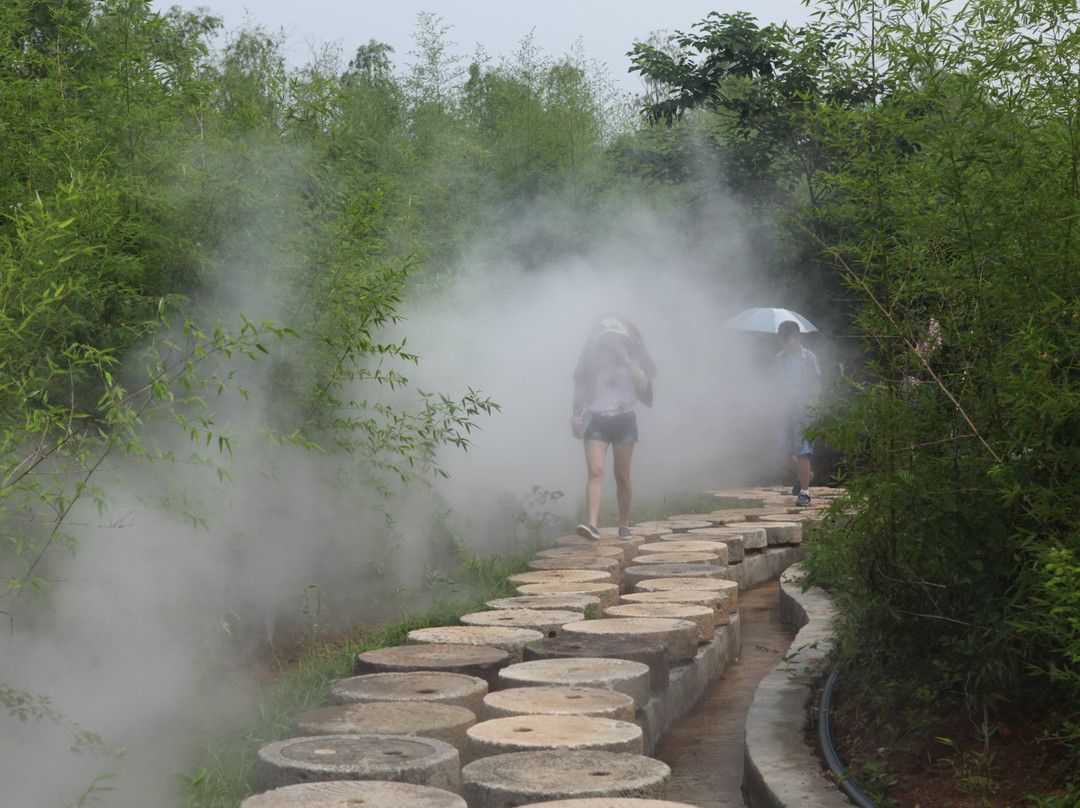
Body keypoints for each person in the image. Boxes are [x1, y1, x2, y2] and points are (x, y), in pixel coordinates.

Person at [570, 314, 656, 540]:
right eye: (608, 338)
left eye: (616, 338)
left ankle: (624, 524)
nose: (612, 343)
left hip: (624, 419)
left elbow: (643, 384)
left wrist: (626, 360)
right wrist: (575, 416)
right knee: (596, 471)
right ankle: (592, 525)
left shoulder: (633, 360)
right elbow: (580, 388)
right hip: (596, 418)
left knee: (622, 475)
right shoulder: (592, 360)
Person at [773, 319, 821, 507]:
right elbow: (775, 383)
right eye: (783, 340)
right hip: (785, 406)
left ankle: (805, 492)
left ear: (799, 337)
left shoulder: (809, 357)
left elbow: (816, 383)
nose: (787, 344)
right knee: (782, 451)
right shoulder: (779, 358)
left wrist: (816, 406)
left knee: (802, 450)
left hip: (804, 406)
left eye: (791, 339)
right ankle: (805, 475)